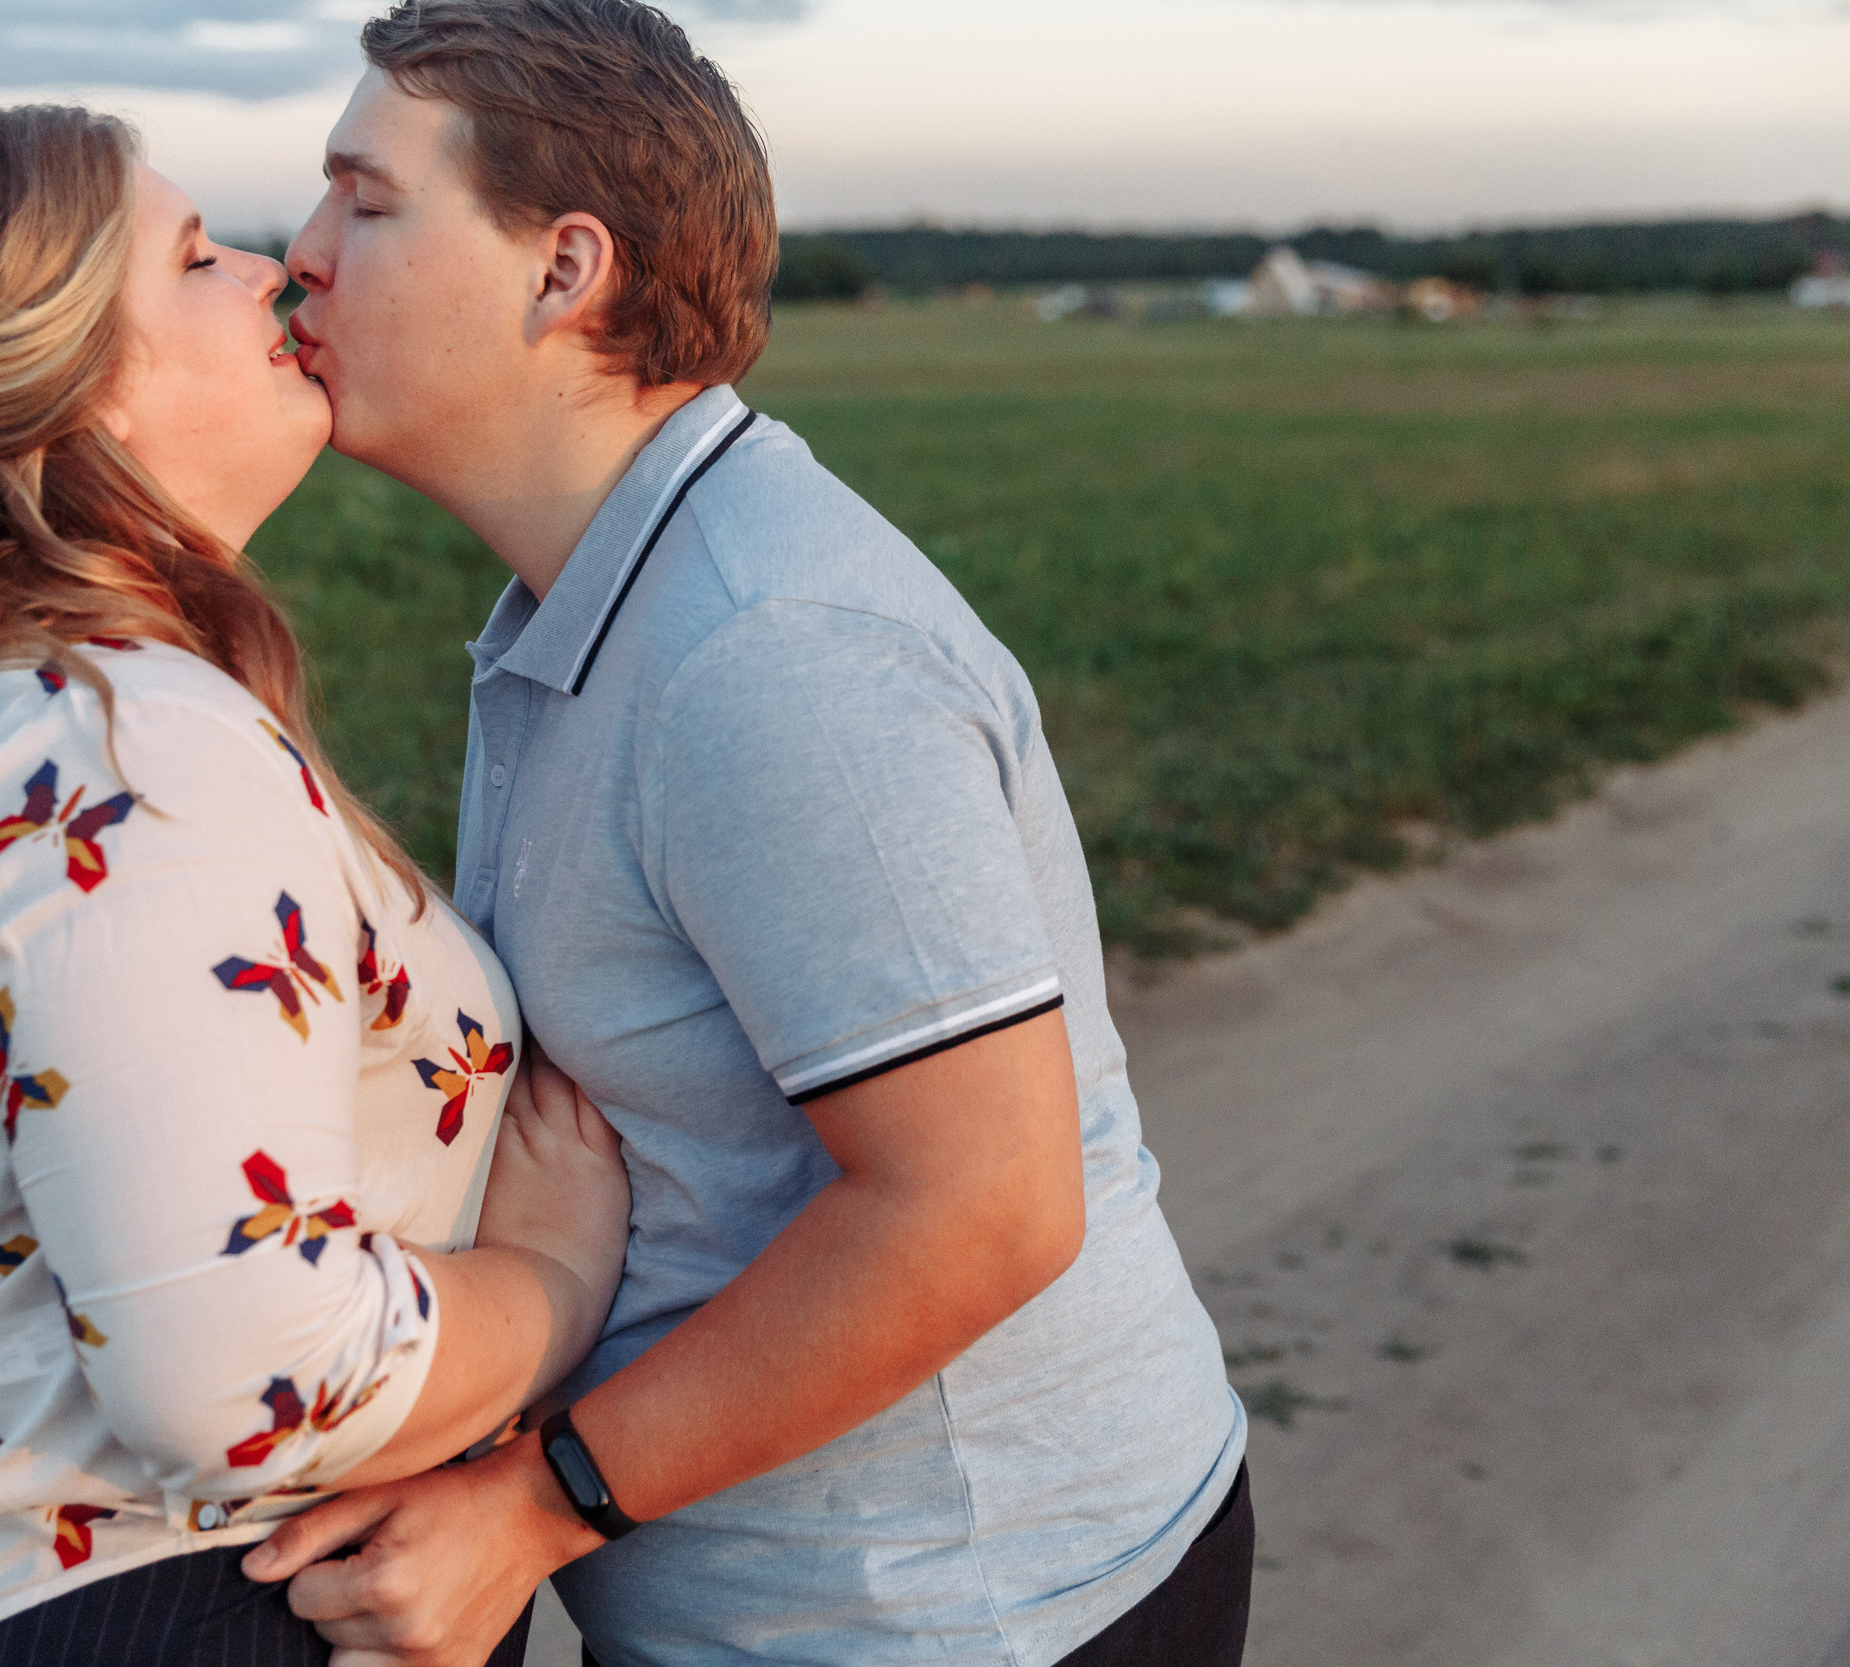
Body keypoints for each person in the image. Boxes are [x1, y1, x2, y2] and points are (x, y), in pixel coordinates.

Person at [246, 4, 1254, 1665]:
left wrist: (539, 1505)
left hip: (960, 1613)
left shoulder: (765, 649)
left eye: (366, 199)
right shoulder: (607, 597)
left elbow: (981, 1207)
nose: (301, 252)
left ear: (563, 271)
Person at [0, 105, 630, 1667]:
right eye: (197, 258)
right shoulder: (110, 743)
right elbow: (253, 1379)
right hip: (164, 1609)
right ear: (75, 383)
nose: (273, 269)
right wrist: (553, 1273)